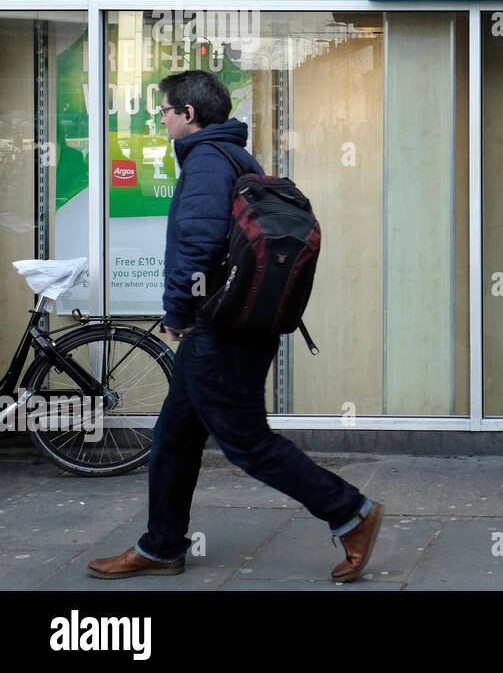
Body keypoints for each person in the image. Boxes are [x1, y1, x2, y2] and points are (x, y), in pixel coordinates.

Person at [88, 70, 383, 582]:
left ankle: (349, 511)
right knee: (175, 437)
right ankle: (162, 546)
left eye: (165, 109)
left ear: (189, 115)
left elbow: (198, 247)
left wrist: (179, 312)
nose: (161, 117)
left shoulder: (206, 161)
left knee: (246, 441)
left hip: (220, 332)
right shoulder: (233, 156)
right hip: (237, 324)